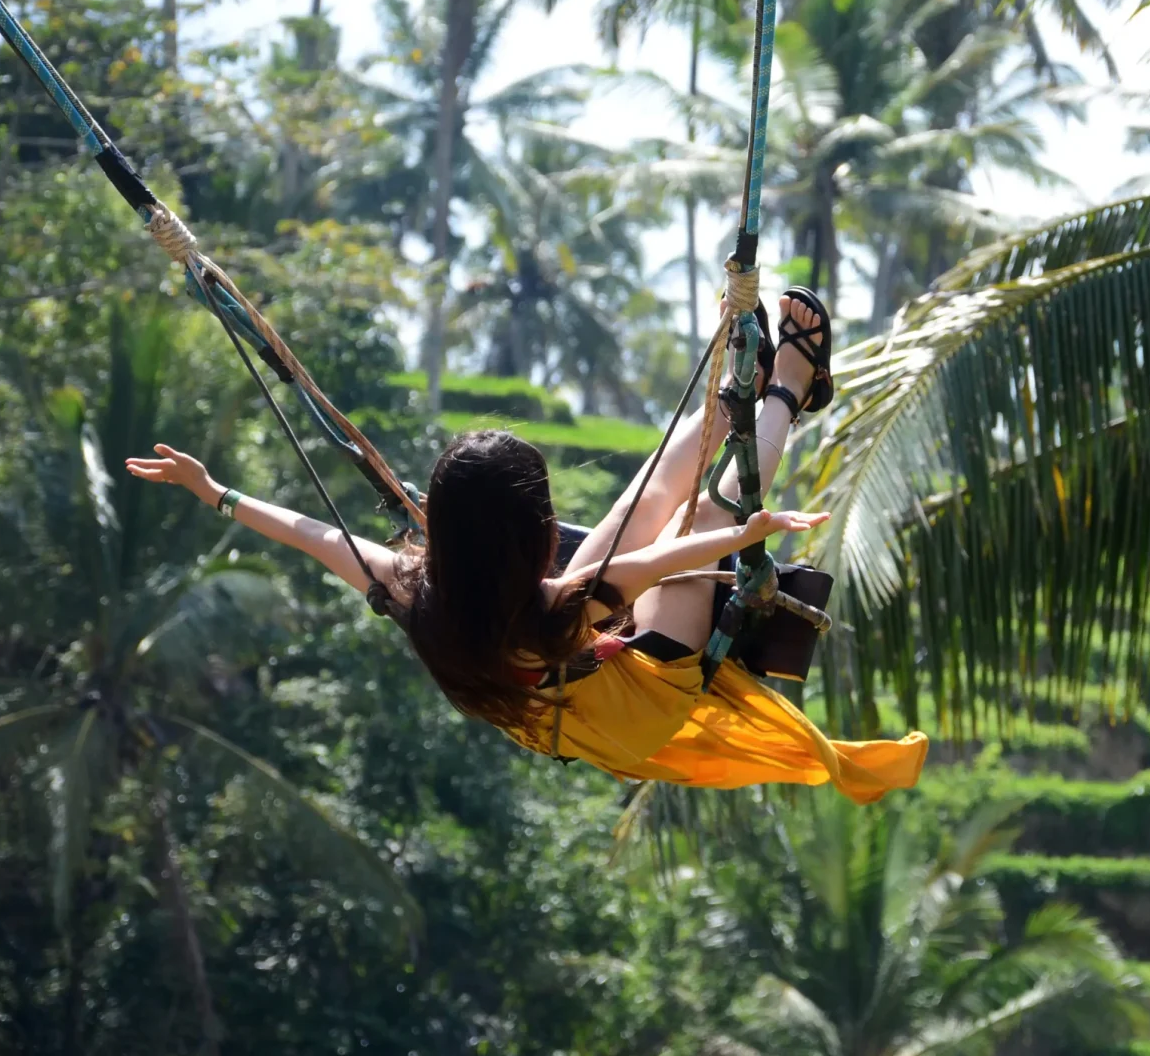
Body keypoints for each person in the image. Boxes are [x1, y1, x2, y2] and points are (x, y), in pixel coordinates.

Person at [125, 289, 927, 803]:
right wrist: (744, 534)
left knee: (642, 497)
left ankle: (727, 406)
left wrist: (218, 492)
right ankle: (794, 378)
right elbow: (663, 560)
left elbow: (319, 536)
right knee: (699, 514)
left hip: (560, 701)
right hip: (636, 708)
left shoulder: (420, 594)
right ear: (537, 540)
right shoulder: (551, 608)